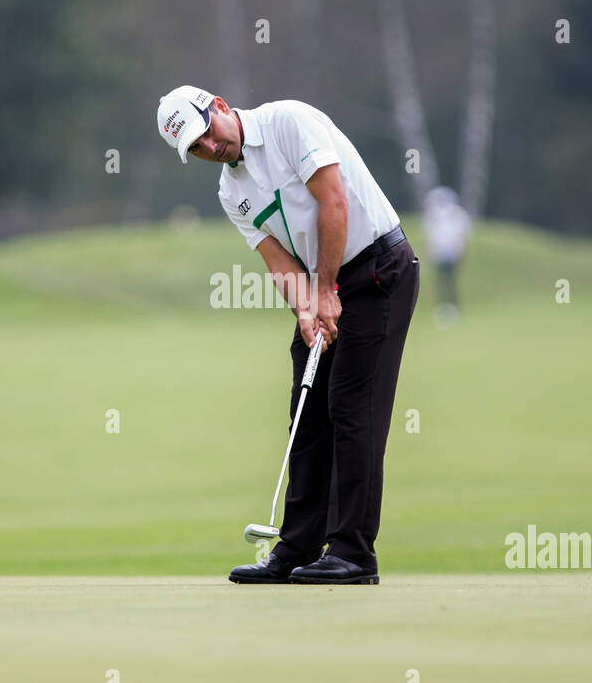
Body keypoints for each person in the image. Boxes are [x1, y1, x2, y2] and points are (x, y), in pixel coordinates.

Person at [157, 85, 419, 585]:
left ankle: (354, 553)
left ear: (217, 106)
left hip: (379, 270)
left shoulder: (287, 123)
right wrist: (307, 306)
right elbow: (279, 262)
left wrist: (324, 290)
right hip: (324, 281)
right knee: (307, 411)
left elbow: (334, 203)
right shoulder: (230, 191)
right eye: (195, 149)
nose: (209, 149)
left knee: (351, 405)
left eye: (206, 134)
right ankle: (297, 547)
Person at [422, 186, 470, 322]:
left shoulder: (457, 215)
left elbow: (463, 238)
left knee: (451, 283)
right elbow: (429, 238)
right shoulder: (433, 216)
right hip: (439, 255)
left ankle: (453, 308)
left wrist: (463, 254)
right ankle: (443, 308)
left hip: (453, 255)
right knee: (441, 284)